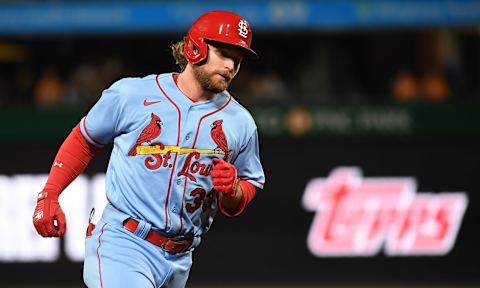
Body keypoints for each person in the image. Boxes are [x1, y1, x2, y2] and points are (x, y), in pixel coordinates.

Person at [32, 10, 265, 287]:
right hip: (124, 244)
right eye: (223, 53)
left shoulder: (240, 122)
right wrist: (50, 193)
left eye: (237, 60)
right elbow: (85, 139)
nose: (230, 65)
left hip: (181, 258)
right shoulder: (133, 95)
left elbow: (248, 184)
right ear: (195, 48)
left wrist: (233, 191)